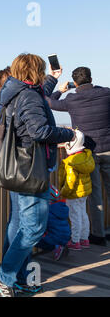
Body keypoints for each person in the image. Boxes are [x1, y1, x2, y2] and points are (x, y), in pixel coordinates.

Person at [0, 53, 75, 297]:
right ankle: (4, 277)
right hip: (31, 171)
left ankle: (15, 278)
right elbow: (39, 130)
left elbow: (35, 97)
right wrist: (71, 134)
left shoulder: (15, 92)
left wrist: (52, 78)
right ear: (34, 71)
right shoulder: (28, 96)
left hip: (19, 169)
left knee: (18, 226)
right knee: (33, 229)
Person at [47, 67, 110, 245]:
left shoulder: (72, 99)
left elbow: (49, 102)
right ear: (91, 78)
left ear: (75, 83)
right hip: (109, 148)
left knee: (95, 195)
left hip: (88, 154)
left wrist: (60, 90)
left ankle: (98, 235)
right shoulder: (106, 93)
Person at [58, 129, 95, 250]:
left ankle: (75, 241)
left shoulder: (71, 162)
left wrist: (63, 193)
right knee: (83, 214)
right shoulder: (86, 156)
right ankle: (84, 239)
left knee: (74, 216)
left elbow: (70, 182)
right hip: (83, 192)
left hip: (73, 194)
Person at [35, 185, 71, 261]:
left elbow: (41, 225)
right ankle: (61, 246)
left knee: (34, 238)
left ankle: (57, 247)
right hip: (65, 237)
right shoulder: (60, 207)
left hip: (56, 238)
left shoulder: (48, 211)